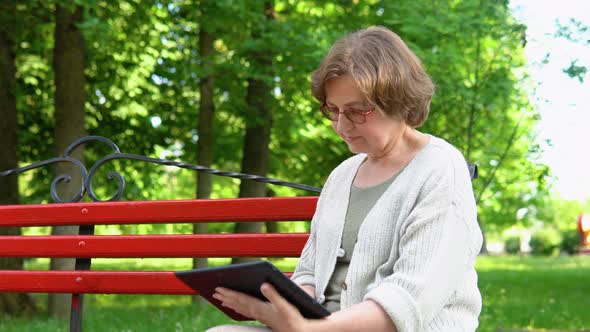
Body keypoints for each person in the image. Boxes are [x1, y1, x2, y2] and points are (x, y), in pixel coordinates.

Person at [207, 26, 483, 332]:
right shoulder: (343, 175)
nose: (341, 126)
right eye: (333, 110)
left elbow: (408, 301)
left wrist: (310, 329)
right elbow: (310, 272)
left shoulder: (441, 168)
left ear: (397, 100)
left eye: (356, 111)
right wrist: (284, 305)